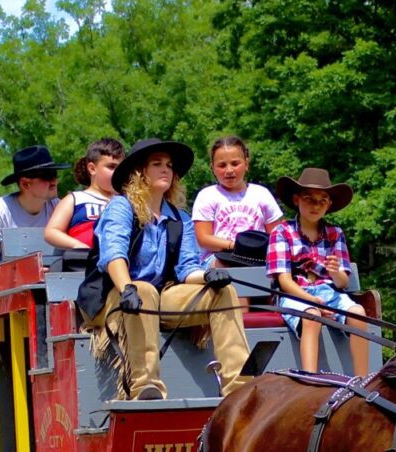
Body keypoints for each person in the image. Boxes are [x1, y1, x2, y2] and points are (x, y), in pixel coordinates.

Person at [94, 138, 251, 400]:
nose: (166, 169)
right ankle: (145, 386)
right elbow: (113, 255)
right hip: (119, 295)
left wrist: (208, 276)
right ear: (139, 172)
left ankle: (240, 387)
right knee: (142, 290)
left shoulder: (179, 217)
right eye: (157, 164)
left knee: (223, 293)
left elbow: (187, 268)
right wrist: (127, 288)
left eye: (169, 165)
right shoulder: (121, 206)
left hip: (161, 295)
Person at [266, 167, 367, 373]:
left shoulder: (335, 233)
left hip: (329, 293)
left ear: (329, 205)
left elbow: (342, 283)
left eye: (322, 200)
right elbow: (284, 281)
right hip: (295, 294)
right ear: (296, 200)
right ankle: (310, 379)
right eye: (309, 199)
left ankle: (363, 377)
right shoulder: (282, 232)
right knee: (312, 316)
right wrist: (311, 301)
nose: (316, 205)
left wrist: (335, 271)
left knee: (359, 313)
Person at [190, 135, 280, 268]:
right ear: (212, 168)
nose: (229, 170)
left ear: (246, 164)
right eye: (222, 165)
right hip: (219, 257)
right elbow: (204, 238)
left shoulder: (262, 194)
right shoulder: (207, 196)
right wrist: (238, 246)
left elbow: (277, 235)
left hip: (258, 259)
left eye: (235, 163)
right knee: (224, 266)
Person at [43, 137, 125, 262]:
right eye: (111, 167)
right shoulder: (75, 199)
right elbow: (51, 232)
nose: (117, 172)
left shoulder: (125, 202)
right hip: (83, 265)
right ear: (92, 168)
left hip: (119, 266)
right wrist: (78, 246)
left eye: (120, 168)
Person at [0, 145, 62, 244]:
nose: (55, 181)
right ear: (25, 184)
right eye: (48, 176)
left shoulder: (58, 208)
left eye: (54, 174)